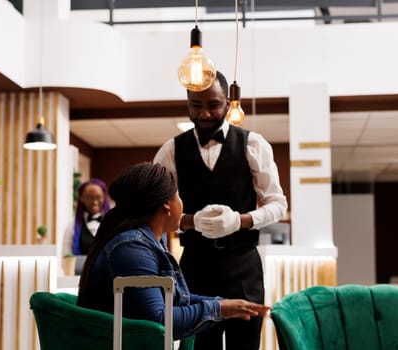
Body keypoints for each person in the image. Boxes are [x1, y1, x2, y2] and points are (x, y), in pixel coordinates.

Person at [153, 71, 288, 350]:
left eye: (213, 105)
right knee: (200, 346)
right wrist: (190, 221)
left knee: (245, 346)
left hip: (244, 269)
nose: (204, 114)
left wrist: (240, 221)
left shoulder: (254, 144)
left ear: (228, 103)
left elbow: (278, 204)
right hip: (195, 268)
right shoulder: (170, 150)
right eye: (195, 105)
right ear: (187, 104)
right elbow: (155, 211)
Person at [77, 162, 271, 341]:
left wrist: (223, 304)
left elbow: (177, 298)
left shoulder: (151, 239)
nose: (182, 203)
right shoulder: (132, 247)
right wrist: (219, 308)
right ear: (167, 204)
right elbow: (158, 322)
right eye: (179, 195)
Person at [62, 178, 110, 256]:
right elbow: (66, 257)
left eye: (98, 197)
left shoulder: (114, 223)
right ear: (82, 198)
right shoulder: (72, 225)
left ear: (104, 197)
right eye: (89, 197)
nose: (94, 202)